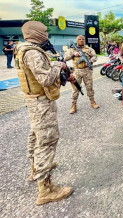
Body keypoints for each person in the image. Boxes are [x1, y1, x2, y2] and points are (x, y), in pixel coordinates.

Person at [14, 21, 73, 205]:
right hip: (41, 102)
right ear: (35, 33)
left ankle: (35, 167)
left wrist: (53, 63)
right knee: (47, 139)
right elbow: (46, 78)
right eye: (44, 31)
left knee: (36, 134)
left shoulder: (22, 48)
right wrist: (59, 67)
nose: (46, 33)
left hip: (33, 100)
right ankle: (45, 190)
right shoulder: (32, 52)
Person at [64, 35, 99, 114]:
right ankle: (73, 105)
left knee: (89, 87)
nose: (81, 40)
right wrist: (73, 54)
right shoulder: (72, 50)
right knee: (75, 89)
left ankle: (92, 102)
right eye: (79, 39)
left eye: (83, 39)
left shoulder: (89, 49)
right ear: (76, 40)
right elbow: (65, 58)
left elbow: (95, 56)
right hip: (77, 71)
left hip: (87, 71)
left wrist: (90, 61)